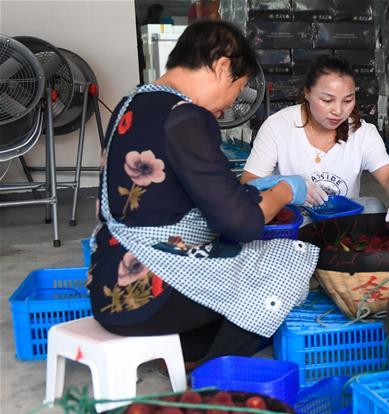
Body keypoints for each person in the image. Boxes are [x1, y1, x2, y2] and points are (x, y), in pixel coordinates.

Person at [88, 21, 318, 366]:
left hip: (108, 286)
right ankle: (213, 377)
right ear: (222, 66)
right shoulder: (187, 116)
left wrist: (246, 190)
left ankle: (186, 356)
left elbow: (167, 196)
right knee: (289, 260)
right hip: (147, 295)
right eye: (237, 90)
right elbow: (242, 223)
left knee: (234, 272)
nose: (228, 106)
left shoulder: (129, 104)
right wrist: (286, 190)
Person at [242, 55, 389, 237]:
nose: (338, 111)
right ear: (307, 93)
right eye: (327, 100)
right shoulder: (278, 126)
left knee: (374, 208)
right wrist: (284, 186)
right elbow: (248, 182)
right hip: (296, 220)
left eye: (347, 100)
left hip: (342, 219)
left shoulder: (363, 132)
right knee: (304, 227)